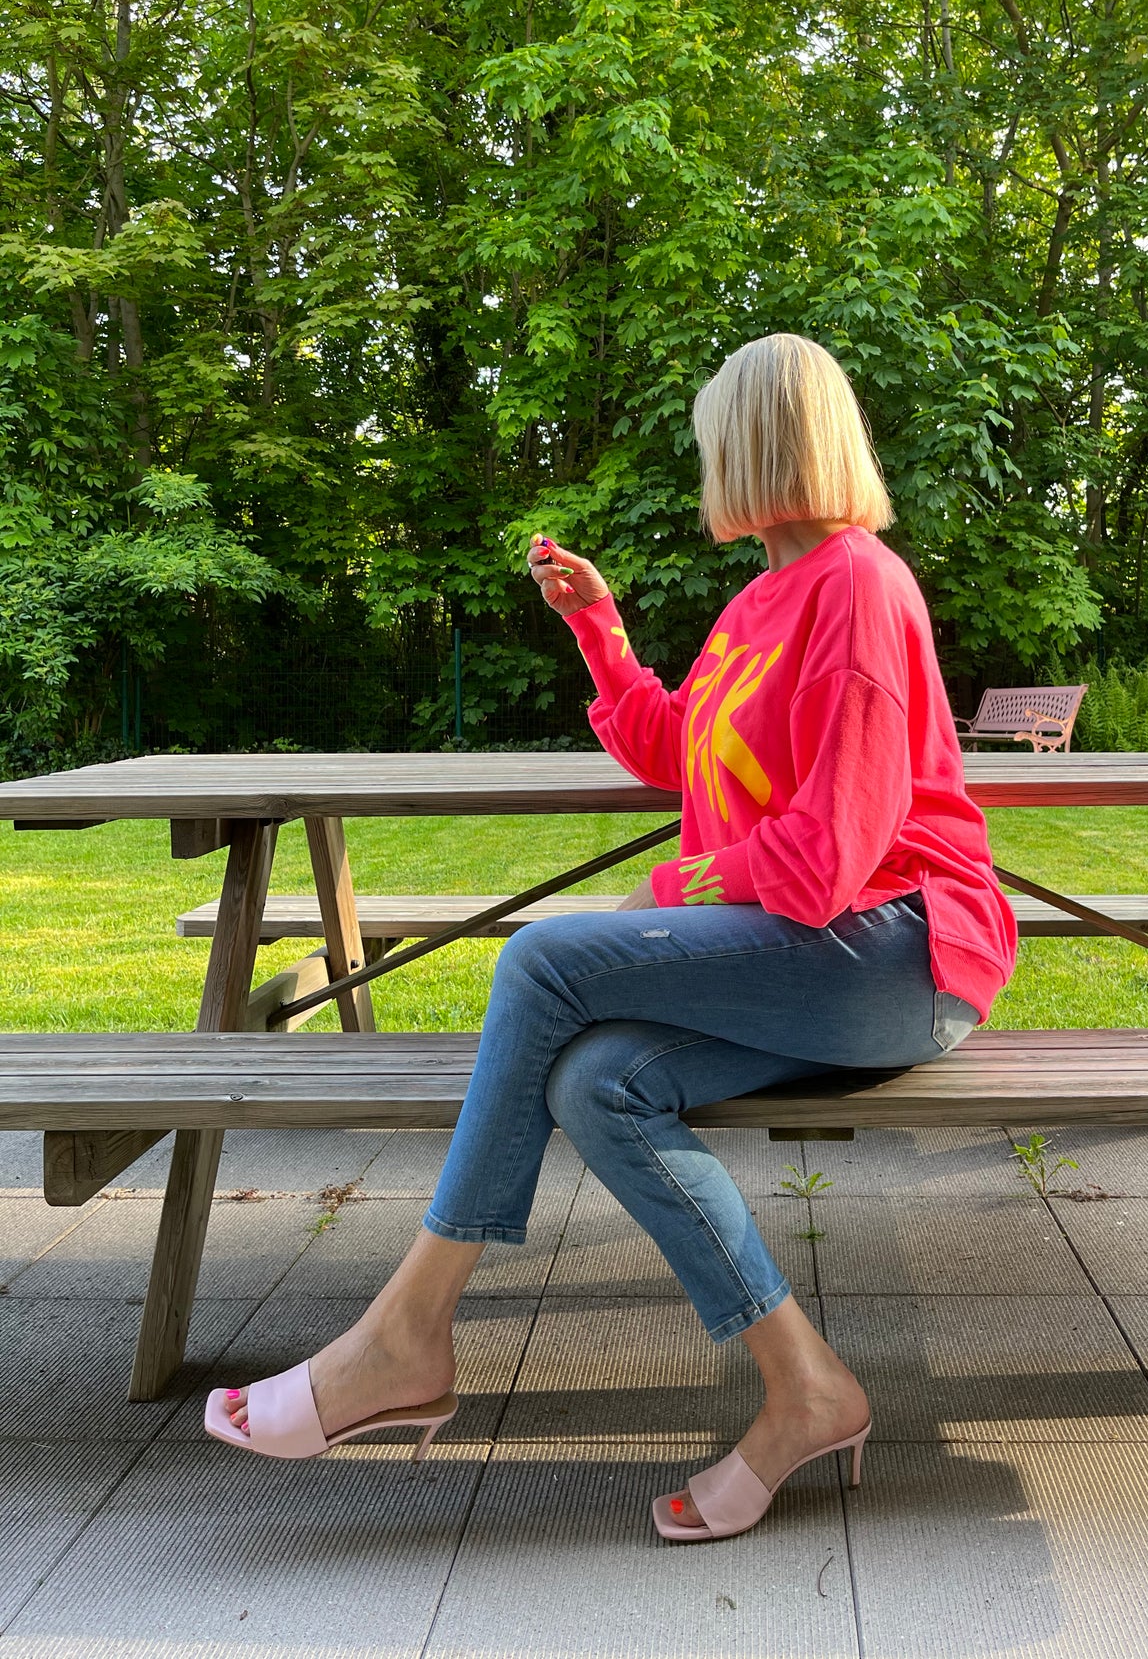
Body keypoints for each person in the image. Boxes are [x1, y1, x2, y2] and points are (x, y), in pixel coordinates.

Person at [204, 332, 1017, 1542]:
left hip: (900, 954)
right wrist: (600, 630)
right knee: (598, 1081)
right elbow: (674, 752)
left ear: (751, 443)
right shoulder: (761, 600)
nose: (702, 466)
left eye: (708, 442)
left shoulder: (857, 586)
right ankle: (806, 1388)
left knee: (542, 956)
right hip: (813, 951)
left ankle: (406, 1334)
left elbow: (825, 861)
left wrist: (673, 887)